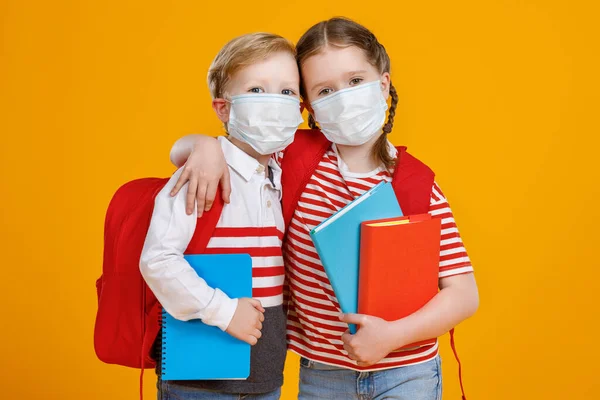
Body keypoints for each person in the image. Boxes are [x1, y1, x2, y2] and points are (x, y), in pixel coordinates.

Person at [168, 17, 479, 400]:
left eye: (354, 81)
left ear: (383, 85)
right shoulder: (289, 161)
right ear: (307, 105)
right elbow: (193, 149)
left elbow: (464, 294)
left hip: (407, 372)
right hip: (321, 375)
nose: (343, 97)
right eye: (325, 89)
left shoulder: (417, 186)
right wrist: (205, 147)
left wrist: (391, 337)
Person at [139, 32, 303, 399]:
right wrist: (224, 312)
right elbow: (158, 260)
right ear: (223, 108)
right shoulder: (201, 175)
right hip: (198, 376)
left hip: (264, 371)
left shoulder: (283, 175)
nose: (275, 102)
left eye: (287, 91)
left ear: (301, 108)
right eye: (257, 90)